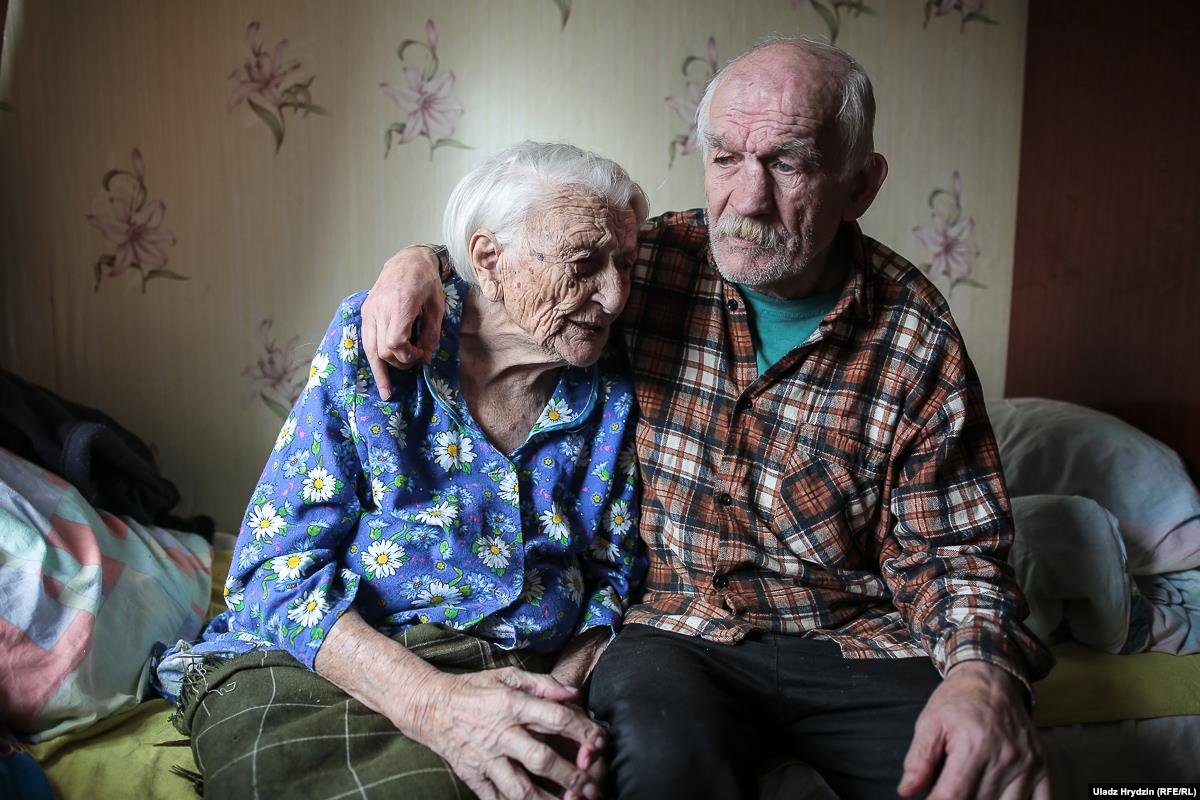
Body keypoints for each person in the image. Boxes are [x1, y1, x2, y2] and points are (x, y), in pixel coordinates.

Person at [361, 38, 1054, 800]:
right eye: (726, 158)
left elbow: (954, 554)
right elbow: (520, 266)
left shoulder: (913, 331)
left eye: (788, 164)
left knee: (970, 778)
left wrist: (982, 673)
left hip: (856, 644)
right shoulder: (649, 264)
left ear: (859, 185)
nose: (747, 199)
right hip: (679, 635)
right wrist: (415, 262)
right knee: (659, 770)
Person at [154, 141, 649, 800]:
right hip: (332, 660)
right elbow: (272, 573)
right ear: (488, 260)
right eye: (584, 263)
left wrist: (554, 702)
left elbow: (613, 572)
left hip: (516, 671)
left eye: (626, 264)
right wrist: (431, 704)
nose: (614, 297)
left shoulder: (610, 385)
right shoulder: (380, 342)